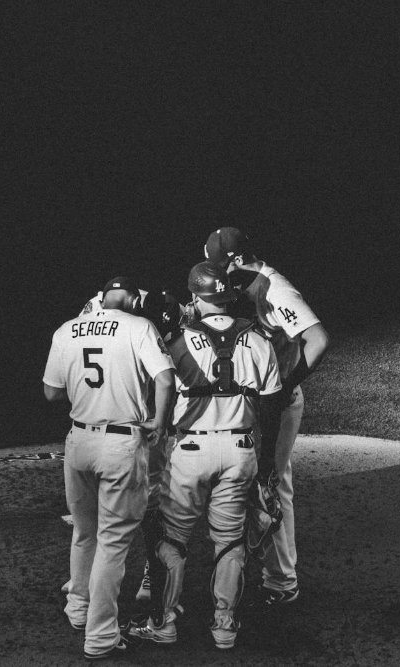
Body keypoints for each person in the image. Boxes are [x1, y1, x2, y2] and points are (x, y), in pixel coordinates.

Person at [126, 261, 284, 650]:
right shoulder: (261, 340)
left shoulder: (175, 341)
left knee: (172, 539)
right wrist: (266, 469)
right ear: (229, 296)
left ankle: (163, 623)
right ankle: (225, 626)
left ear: (195, 298)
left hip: (190, 451)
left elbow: (153, 393)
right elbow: (272, 411)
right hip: (240, 452)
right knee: (230, 543)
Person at [42, 276, 176, 661]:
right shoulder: (139, 326)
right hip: (120, 443)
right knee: (113, 542)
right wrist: (159, 422)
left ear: (100, 298)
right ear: (133, 299)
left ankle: (78, 608)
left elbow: (51, 392)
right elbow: (165, 379)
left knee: (85, 533)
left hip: (78, 441)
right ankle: (100, 637)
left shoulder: (67, 329)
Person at [203, 227, 330, 606]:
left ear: (239, 260)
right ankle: (269, 568)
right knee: (259, 482)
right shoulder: (245, 282)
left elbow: (319, 340)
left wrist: (283, 385)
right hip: (260, 400)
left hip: (277, 401)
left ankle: (281, 580)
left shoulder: (277, 289)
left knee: (270, 484)